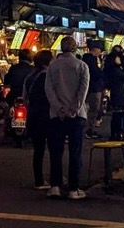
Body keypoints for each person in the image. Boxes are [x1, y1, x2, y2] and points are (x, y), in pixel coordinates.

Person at [44, 36, 89, 199]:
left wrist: (59, 108)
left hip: (56, 115)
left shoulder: (52, 67)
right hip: (76, 115)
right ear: (75, 48)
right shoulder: (82, 66)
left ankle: (55, 186)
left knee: (56, 151)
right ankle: (73, 189)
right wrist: (74, 109)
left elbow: (48, 90)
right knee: (75, 151)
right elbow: (83, 91)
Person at [23, 50, 53, 189]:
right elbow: (51, 96)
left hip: (33, 115)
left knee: (38, 149)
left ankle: (39, 180)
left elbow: (25, 98)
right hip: (46, 115)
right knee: (54, 148)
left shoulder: (30, 77)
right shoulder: (48, 77)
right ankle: (55, 178)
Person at [105, 50, 124, 141]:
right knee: (121, 114)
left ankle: (117, 134)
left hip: (117, 94)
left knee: (117, 115)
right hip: (119, 95)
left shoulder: (113, 69)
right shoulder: (115, 70)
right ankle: (120, 133)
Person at [82, 44, 104, 137]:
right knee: (94, 108)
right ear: (96, 49)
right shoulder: (91, 59)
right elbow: (95, 73)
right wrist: (101, 73)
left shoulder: (84, 59)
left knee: (86, 108)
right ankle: (88, 130)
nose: (100, 53)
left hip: (87, 87)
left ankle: (86, 129)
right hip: (94, 87)